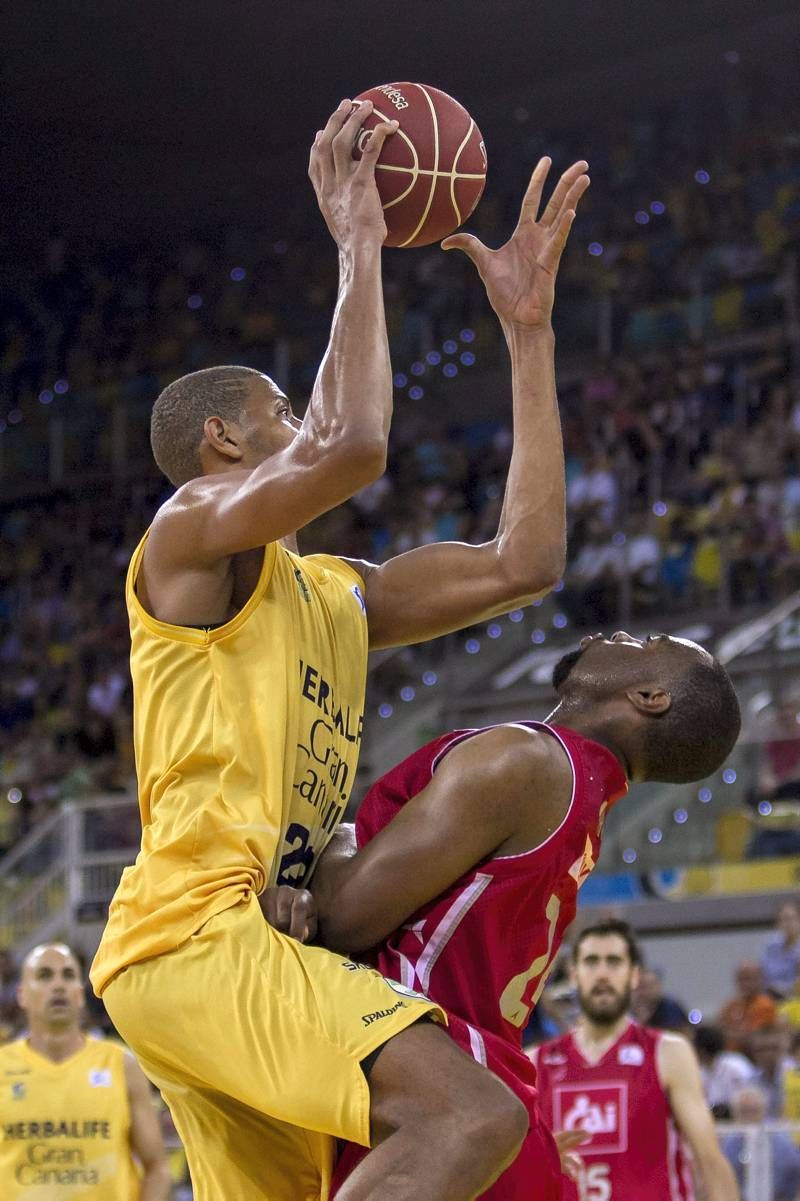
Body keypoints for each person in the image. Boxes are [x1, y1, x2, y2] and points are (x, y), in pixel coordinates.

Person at [89, 94, 592, 1201]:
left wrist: (526, 332)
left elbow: (524, 559)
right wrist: (359, 244)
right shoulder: (182, 536)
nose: (297, 417)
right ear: (223, 441)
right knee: (468, 1114)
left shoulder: (337, 594)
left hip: (247, 945)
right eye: (278, 407)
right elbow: (350, 440)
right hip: (188, 933)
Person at [276, 628, 742, 1198]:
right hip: (483, 1097)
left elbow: (344, 917)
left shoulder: (531, 762)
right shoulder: (579, 799)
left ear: (649, 698)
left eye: (644, 642)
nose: (615, 632)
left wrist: (338, 840)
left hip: (440, 1100)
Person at [533, 921, 738, 1200]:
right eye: (591, 962)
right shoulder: (536, 1063)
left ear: (633, 976)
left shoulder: (668, 1053)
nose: (602, 974)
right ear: (574, 974)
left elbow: (710, 1161)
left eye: (614, 962)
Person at [0, 943, 170, 1200]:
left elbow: (157, 1168)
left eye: (68, 976)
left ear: (80, 994)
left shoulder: (122, 1065)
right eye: (45, 975)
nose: (58, 985)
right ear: (22, 995)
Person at [721, 1085, 800, 1201]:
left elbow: (794, 1171)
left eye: (753, 1110)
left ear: (763, 1110)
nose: (749, 1115)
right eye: (744, 1110)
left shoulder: (779, 1138)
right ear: (735, 1113)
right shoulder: (730, 1141)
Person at [694, 1023, 757, 1118]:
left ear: (701, 1050)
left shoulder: (737, 1065)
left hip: (741, 1116)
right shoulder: (699, 1071)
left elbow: (751, 1095)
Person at [717, 961, 779, 1051]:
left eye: (749, 978)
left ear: (760, 979)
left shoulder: (766, 1005)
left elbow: (754, 1038)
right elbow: (719, 1030)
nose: (745, 983)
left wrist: (730, 1034)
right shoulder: (731, 1005)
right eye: (741, 979)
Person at [748, 1023, 797, 1118]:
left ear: (785, 1048)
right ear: (753, 1052)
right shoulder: (752, 1080)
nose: (768, 1054)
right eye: (761, 1049)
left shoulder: (796, 1075)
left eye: (774, 1048)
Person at [631, 965, 690, 1031]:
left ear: (658, 987)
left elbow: (674, 1033)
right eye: (641, 987)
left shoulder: (670, 1008)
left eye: (649, 987)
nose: (644, 992)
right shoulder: (629, 1010)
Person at [761, 901, 800, 998]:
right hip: (771, 995)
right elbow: (763, 976)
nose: (789, 923)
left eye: (792, 918)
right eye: (784, 919)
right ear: (778, 923)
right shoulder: (770, 946)